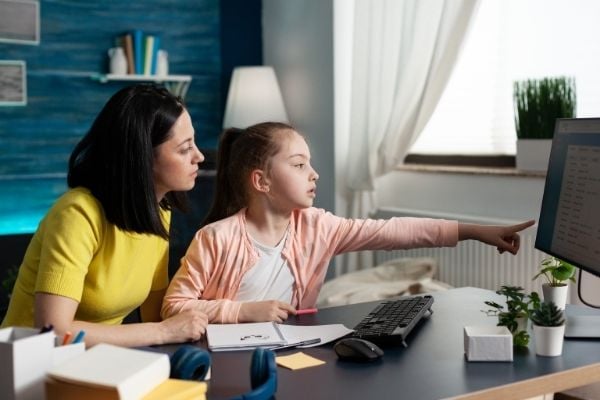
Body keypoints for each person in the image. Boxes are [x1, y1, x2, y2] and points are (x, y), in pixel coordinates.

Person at [161, 122, 535, 324]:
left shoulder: (318, 227)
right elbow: (173, 306)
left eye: (310, 163)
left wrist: (473, 231)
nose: (314, 174)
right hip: (225, 362)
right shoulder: (215, 239)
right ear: (262, 181)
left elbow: (392, 233)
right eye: (299, 164)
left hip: (295, 353)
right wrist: (242, 312)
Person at [1, 85, 208, 347]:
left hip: (94, 362)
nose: (199, 156)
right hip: (27, 369)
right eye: (184, 149)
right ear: (143, 156)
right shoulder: (77, 214)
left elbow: (156, 311)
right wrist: (164, 332)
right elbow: (53, 331)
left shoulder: (157, 210)